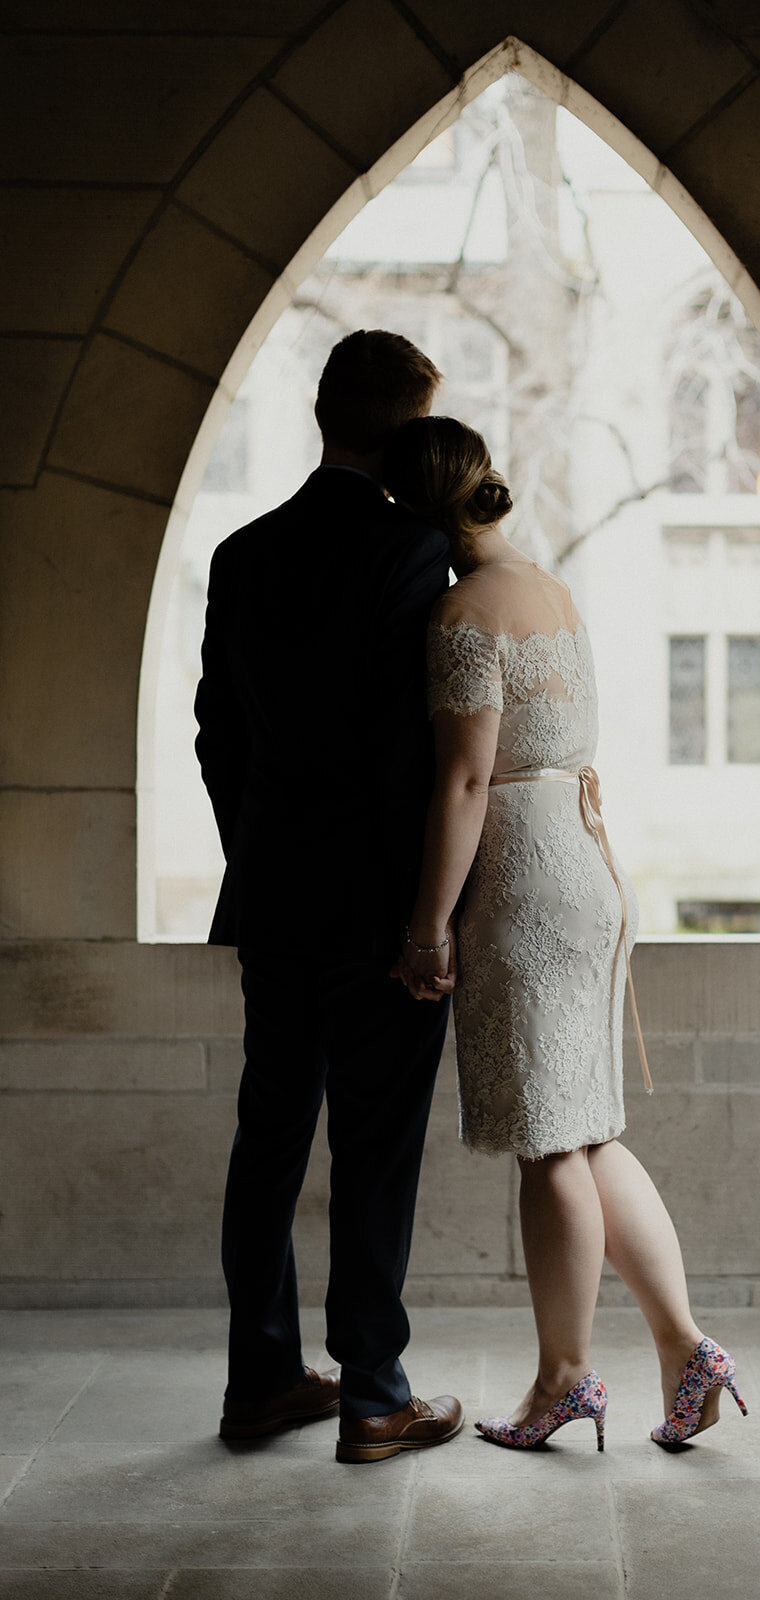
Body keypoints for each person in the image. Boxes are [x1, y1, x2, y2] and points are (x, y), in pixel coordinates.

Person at [382, 415, 747, 1451]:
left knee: (546, 1143)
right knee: (586, 1129)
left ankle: (562, 1378)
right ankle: (684, 1349)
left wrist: (425, 925)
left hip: (521, 878)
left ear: (413, 513)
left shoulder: (461, 613)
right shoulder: (550, 590)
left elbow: (461, 779)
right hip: (587, 866)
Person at [194, 330, 463, 1464]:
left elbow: (217, 735)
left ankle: (259, 1381)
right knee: (375, 1142)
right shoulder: (412, 553)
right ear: (407, 431)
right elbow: (410, 752)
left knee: (269, 1133)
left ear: (319, 415)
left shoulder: (241, 552)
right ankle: (371, 1394)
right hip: (376, 908)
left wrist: (255, 856)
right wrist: (422, 917)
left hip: (275, 896)